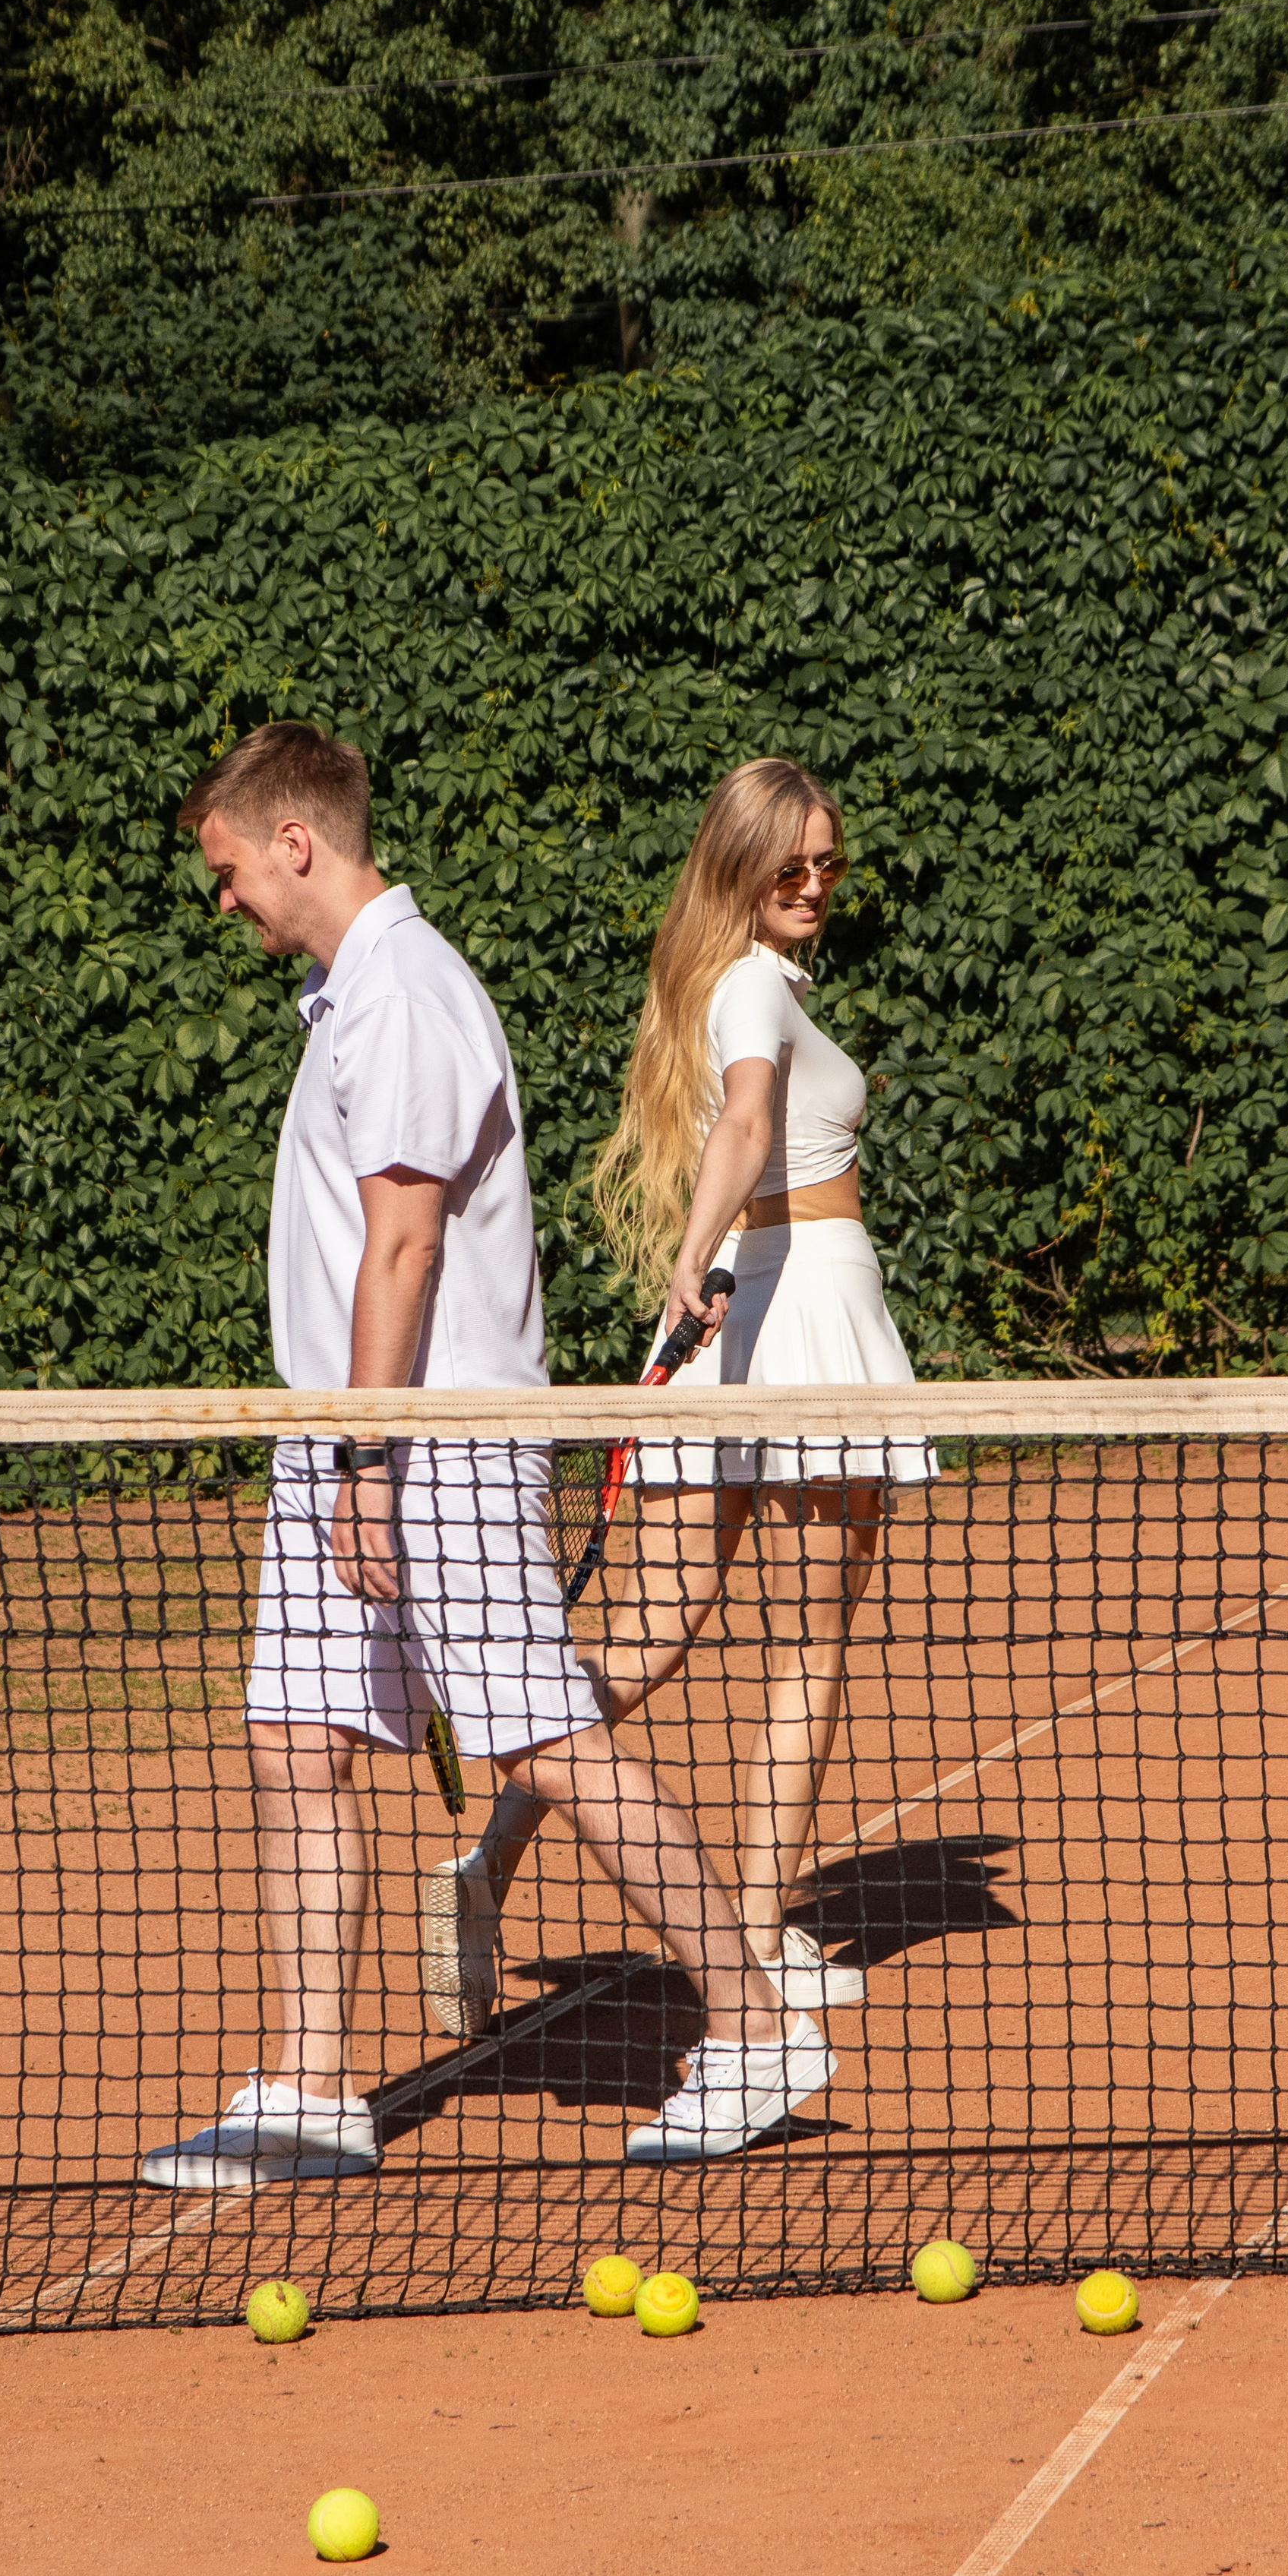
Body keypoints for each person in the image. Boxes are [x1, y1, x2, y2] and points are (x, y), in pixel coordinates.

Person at [137, 721, 835, 2188]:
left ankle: (760, 2025)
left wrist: (371, 1464)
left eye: (230, 873)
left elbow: (404, 1242)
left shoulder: (401, 1000)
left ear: (296, 843)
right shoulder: (352, 996)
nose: (227, 903)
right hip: (356, 1437)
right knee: (296, 1744)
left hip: (422, 1442)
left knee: (544, 1737)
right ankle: (317, 2090)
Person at [425, 754, 934, 2039]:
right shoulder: (755, 988)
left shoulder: (727, 984)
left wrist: (696, 1273)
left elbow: (741, 1126)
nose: (813, 884)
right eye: (790, 865)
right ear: (742, 868)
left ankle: (487, 1867)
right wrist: (693, 1256)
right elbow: (750, 1126)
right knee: (808, 1646)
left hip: (745, 1318)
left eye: (828, 864)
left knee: (649, 1635)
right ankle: (754, 1939)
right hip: (802, 1306)